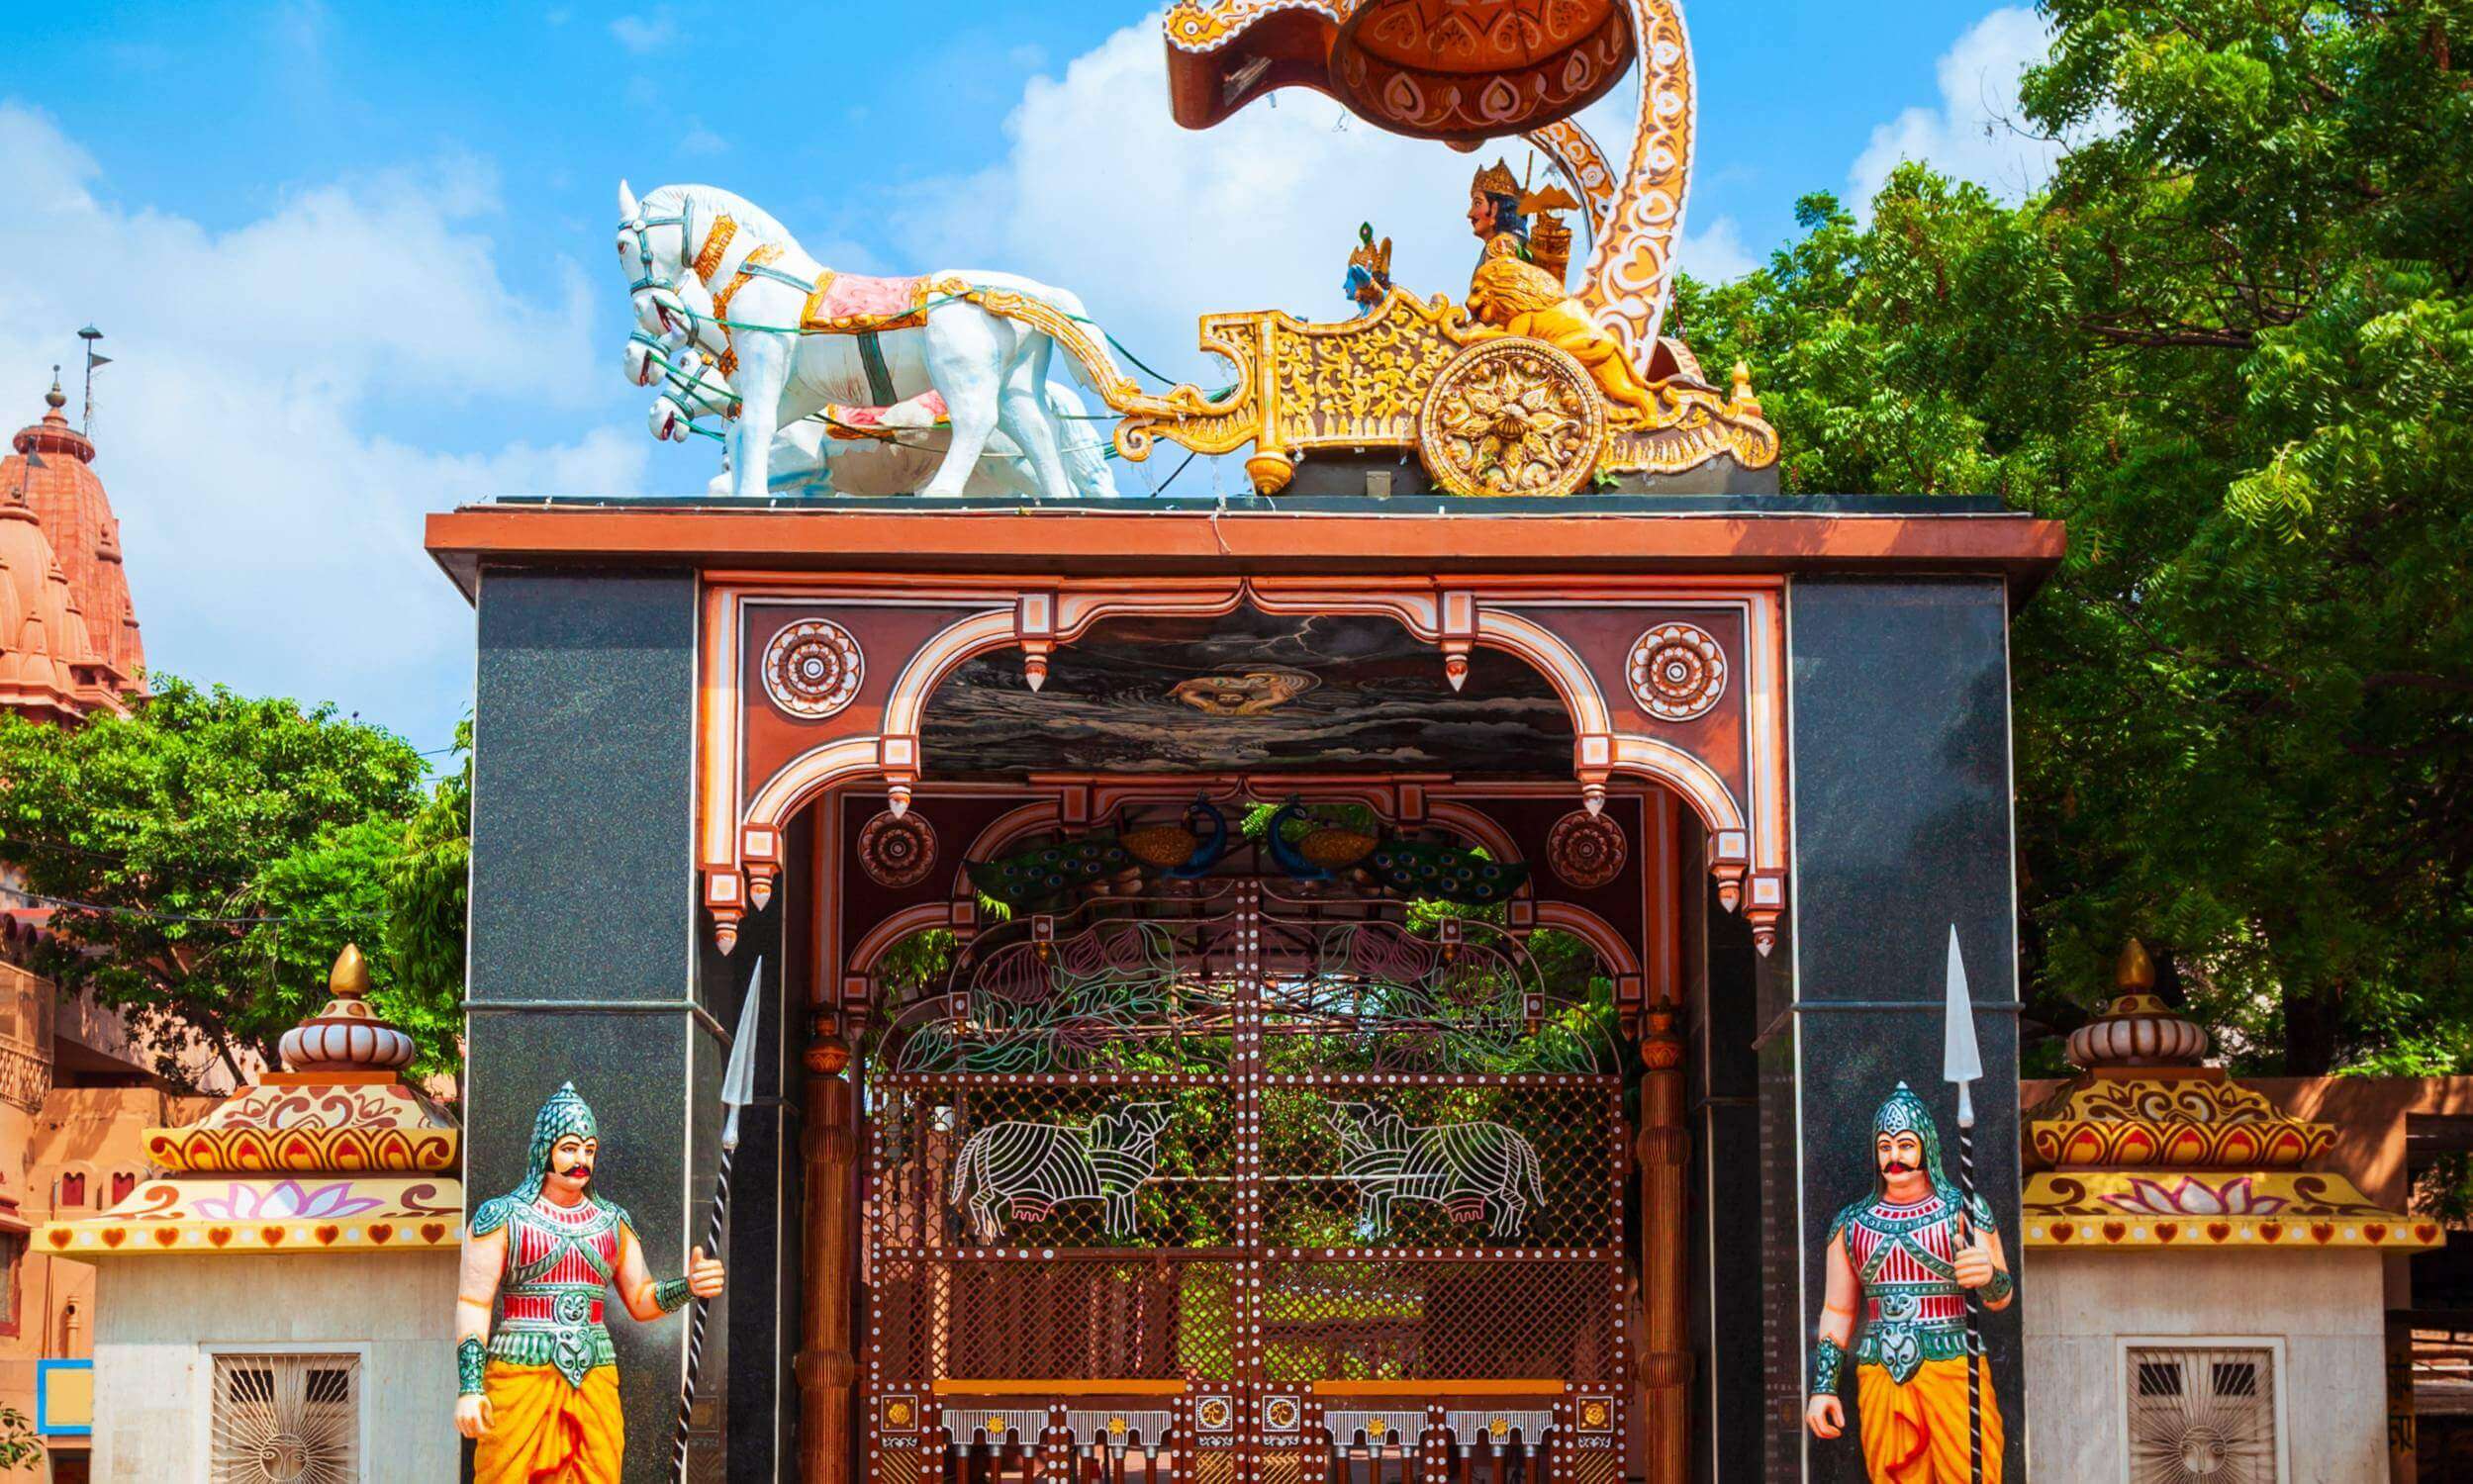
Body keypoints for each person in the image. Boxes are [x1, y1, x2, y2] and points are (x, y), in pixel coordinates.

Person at [454, 1083, 725, 1482]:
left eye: (589, 1149)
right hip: (521, 1368)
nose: (580, 1160)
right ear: (543, 1149)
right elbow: (473, 1304)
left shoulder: (612, 1221)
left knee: (598, 1471)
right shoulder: (502, 1217)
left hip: (594, 1369)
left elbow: (641, 1299)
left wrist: (689, 1286)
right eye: (568, 1148)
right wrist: (470, 1387)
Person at [1806, 1081, 2011, 1482]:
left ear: (1926, 1147)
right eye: (1885, 1146)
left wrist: (1986, 1276)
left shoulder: (1964, 1209)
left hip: (1952, 1359)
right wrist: (1823, 1387)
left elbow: (2001, 1296)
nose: (1894, 1157)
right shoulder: (1852, 1223)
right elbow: (1837, 1309)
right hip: (1882, 1368)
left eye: (1904, 1145)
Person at [1460, 159, 1666, 426]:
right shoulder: (1518, 246)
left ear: (1495, 208)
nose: (1470, 213)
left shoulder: (1501, 249)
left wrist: (1470, 334)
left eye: (1477, 203)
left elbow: (1503, 314)